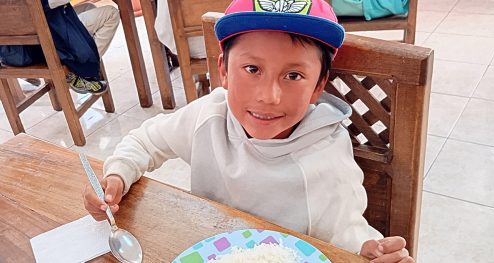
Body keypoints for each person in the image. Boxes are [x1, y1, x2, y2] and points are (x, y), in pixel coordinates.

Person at [83, 0, 414, 262]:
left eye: (294, 75)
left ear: (318, 86)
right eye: (252, 68)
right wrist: (117, 176)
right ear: (224, 70)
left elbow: (346, 233)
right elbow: (147, 140)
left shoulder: (324, 153)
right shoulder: (209, 115)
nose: (268, 96)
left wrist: (368, 251)